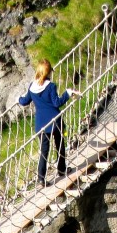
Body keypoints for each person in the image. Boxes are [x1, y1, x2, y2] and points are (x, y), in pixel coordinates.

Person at [18, 59, 78, 188]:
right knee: (60, 144)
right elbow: (57, 103)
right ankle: (61, 169)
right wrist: (67, 93)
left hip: (41, 125)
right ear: (49, 72)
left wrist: (19, 98)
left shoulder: (31, 87)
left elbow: (24, 101)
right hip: (55, 121)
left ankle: (41, 179)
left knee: (44, 152)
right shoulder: (51, 86)